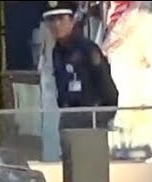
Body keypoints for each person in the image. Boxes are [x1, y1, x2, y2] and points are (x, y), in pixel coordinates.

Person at [44, 1, 120, 131]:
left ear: (72, 20)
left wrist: (101, 118)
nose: (56, 25)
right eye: (52, 20)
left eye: (61, 19)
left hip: (92, 120)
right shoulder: (56, 52)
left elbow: (109, 91)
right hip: (69, 119)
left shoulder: (87, 50)